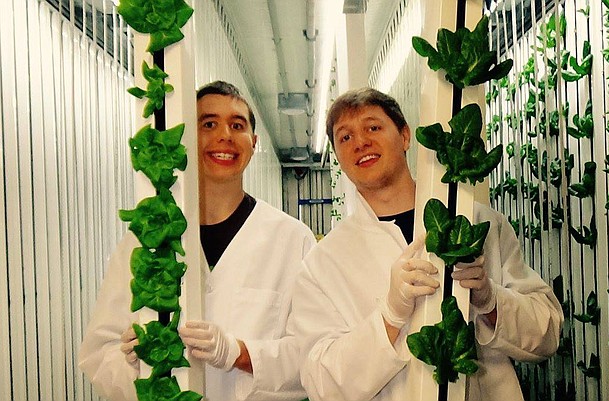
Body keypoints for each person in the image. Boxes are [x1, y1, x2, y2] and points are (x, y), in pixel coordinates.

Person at [287, 87, 563, 401]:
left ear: (405, 136)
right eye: (345, 137)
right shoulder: (323, 262)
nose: (360, 142)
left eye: (373, 127)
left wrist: (490, 301)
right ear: (338, 157)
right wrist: (389, 317)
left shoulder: (479, 224)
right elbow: (321, 382)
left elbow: (547, 334)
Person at [79, 81, 316, 401]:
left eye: (237, 125)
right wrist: (135, 367)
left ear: (254, 142)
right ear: (186, 137)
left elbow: (312, 356)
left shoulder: (292, 239)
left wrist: (239, 354)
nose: (224, 136)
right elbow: (98, 353)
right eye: (208, 123)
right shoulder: (145, 241)